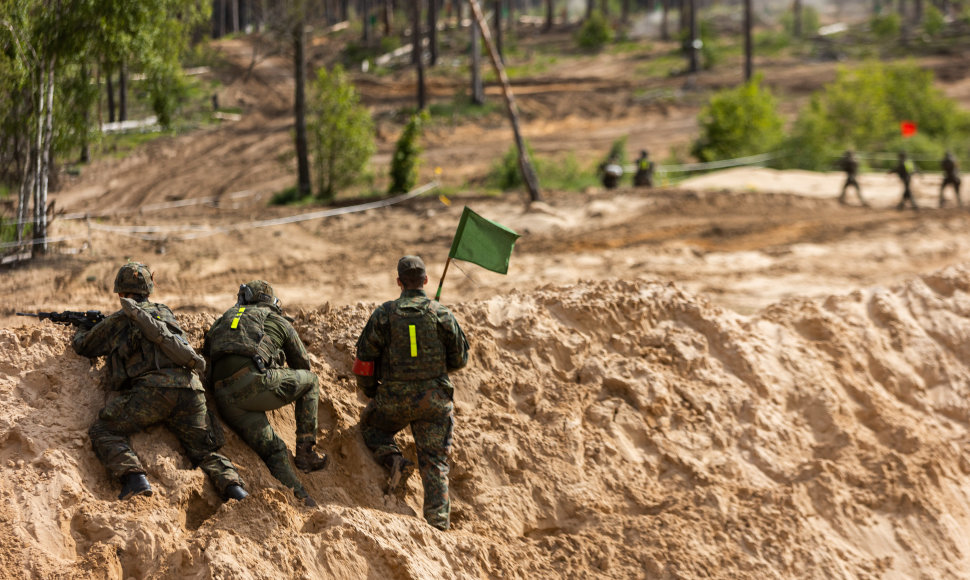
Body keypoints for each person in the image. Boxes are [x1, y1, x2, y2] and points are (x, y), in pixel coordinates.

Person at [74, 262, 248, 502]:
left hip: (153, 392)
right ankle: (235, 490)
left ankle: (134, 478)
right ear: (148, 290)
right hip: (190, 389)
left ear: (121, 293)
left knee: (103, 430)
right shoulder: (165, 312)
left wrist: (82, 327)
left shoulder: (123, 317)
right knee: (205, 451)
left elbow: (84, 346)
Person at [353, 256, 469, 531]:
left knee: (372, 428)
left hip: (393, 399)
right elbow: (460, 359)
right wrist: (436, 372)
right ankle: (439, 526)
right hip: (434, 401)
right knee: (435, 462)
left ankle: (393, 459)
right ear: (426, 281)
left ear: (399, 282)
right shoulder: (440, 313)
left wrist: (372, 392)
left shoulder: (384, 314)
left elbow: (364, 360)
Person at [204, 280, 328, 507]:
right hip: (255, 384)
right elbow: (303, 365)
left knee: (274, 450)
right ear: (271, 302)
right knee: (311, 382)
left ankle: (303, 499)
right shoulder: (276, 319)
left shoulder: (224, 318)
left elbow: (210, 349)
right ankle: (306, 452)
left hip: (224, 397)